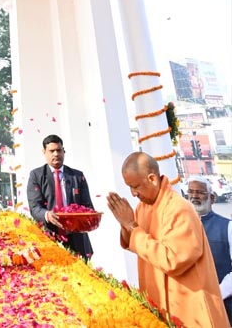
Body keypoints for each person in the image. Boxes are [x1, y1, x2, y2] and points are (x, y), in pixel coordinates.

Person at [107, 152, 230, 328]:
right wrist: (125, 224)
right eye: (129, 187)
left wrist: (132, 226)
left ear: (152, 178)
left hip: (190, 310)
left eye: (135, 186)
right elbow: (134, 242)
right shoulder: (142, 207)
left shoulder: (180, 209)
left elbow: (172, 260)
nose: (133, 193)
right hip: (160, 306)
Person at [26, 134, 94, 258]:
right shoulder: (36, 176)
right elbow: (35, 207)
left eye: (59, 150)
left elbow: (88, 206)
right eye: (52, 151)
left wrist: (84, 219)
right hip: (50, 238)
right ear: (44, 152)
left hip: (77, 240)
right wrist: (47, 215)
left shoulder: (77, 176)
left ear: (64, 151)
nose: (56, 154)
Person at [187, 176, 232, 324]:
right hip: (191, 305)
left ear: (212, 198)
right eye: (191, 192)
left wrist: (216, 294)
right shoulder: (179, 227)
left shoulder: (227, 227)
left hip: (224, 304)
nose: (194, 196)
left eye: (200, 192)